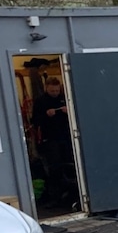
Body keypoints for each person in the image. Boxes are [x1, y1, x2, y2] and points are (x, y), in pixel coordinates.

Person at [33, 73, 77, 209]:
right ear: (46, 88)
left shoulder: (65, 99)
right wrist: (46, 115)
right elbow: (34, 120)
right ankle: (55, 197)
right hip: (50, 139)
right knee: (54, 169)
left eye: (57, 90)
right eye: (52, 91)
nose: (55, 93)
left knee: (71, 167)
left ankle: (72, 195)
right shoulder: (40, 101)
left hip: (67, 138)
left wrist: (69, 112)